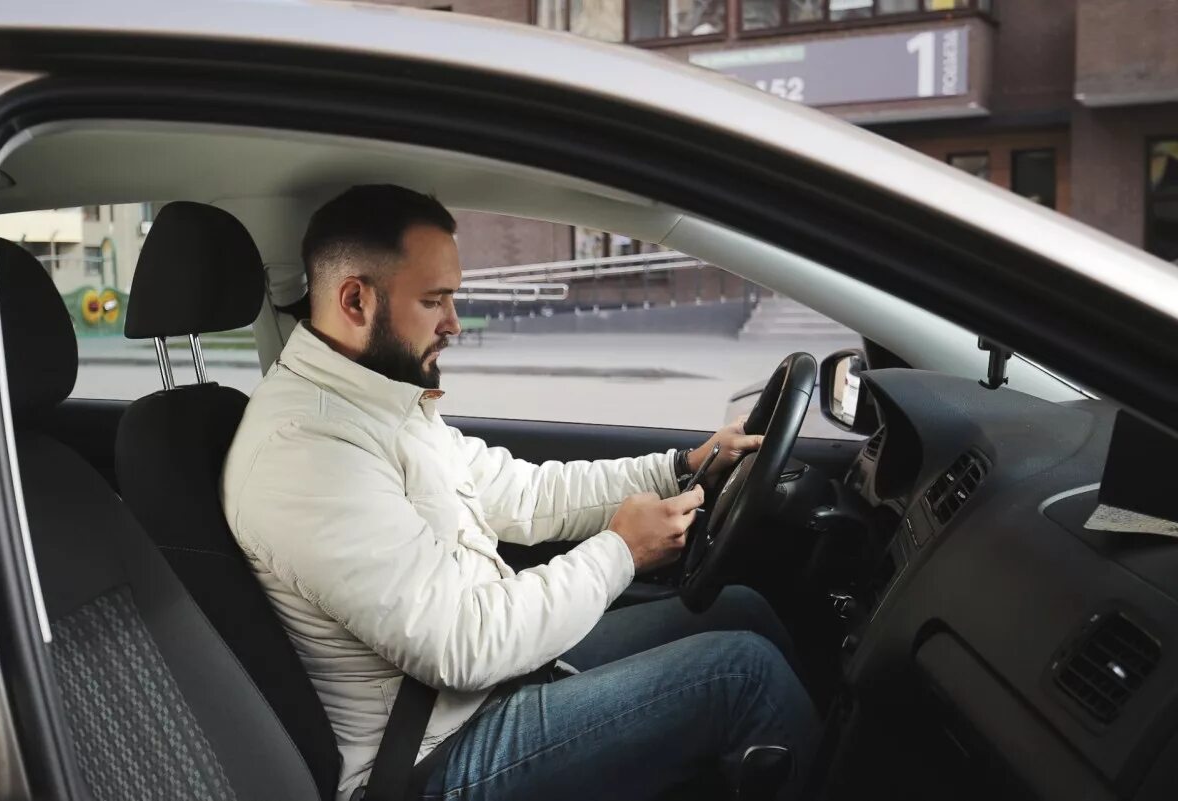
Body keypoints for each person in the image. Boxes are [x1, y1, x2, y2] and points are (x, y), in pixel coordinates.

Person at [221, 185, 820, 801]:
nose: (454, 323)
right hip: (429, 760)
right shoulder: (307, 453)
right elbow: (461, 644)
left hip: (479, 696)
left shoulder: (375, 402)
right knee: (744, 675)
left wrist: (679, 467)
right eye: (435, 301)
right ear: (355, 300)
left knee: (739, 609)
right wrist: (620, 552)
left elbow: (525, 493)